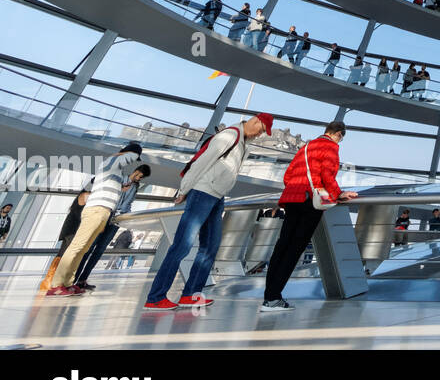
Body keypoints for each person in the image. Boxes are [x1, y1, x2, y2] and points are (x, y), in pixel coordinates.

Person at [144, 114, 271, 310]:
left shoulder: (243, 144)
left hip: (217, 196)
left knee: (210, 247)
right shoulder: (230, 136)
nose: (260, 135)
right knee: (182, 245)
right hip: (202, 192)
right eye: (261, 130)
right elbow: (202, 162)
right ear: (255, 121)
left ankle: (191, 295)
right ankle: (155, 297)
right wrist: (184, 189)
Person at [262, 121, 358, 311]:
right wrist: (339, 194)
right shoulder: (330, 147)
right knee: (294, 249)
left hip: (292, 198)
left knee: (282, 247)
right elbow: (327, 175)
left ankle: (269, 296)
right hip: (308, 201)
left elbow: (288, 176)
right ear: (338, 134)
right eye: (341, 137)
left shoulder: (307, 147)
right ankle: (273, 299)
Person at [47, 142, 143, 297]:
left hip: (104, 211)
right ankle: (56, 285)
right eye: (134, 157)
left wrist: (121, 187)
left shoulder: (114, 169)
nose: (133, 161)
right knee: (77, 247)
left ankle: (67, 283)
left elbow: (108, 187)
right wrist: (135, 151)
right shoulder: (113, 161)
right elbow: (130, 155)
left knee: (83, 249)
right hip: (96, 209)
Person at [72, 164, 151, 291]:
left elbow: (127, 204)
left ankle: (83, 279)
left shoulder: (134, 187)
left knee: (100, 250)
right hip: (105, 215)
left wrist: (124, 216)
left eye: (140, 177)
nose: (137, 178)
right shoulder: (119, 180)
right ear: (135, 171)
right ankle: (74, 279)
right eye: (138, 175)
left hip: (116, 220)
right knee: (90, 247)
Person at [41, 191, 87, 292]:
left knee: (65, 256)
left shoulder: (84, 201)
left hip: (74, 232)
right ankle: (51, 283)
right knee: (63, 256)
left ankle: (63, 283)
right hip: (71, 232)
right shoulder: (84, 196)